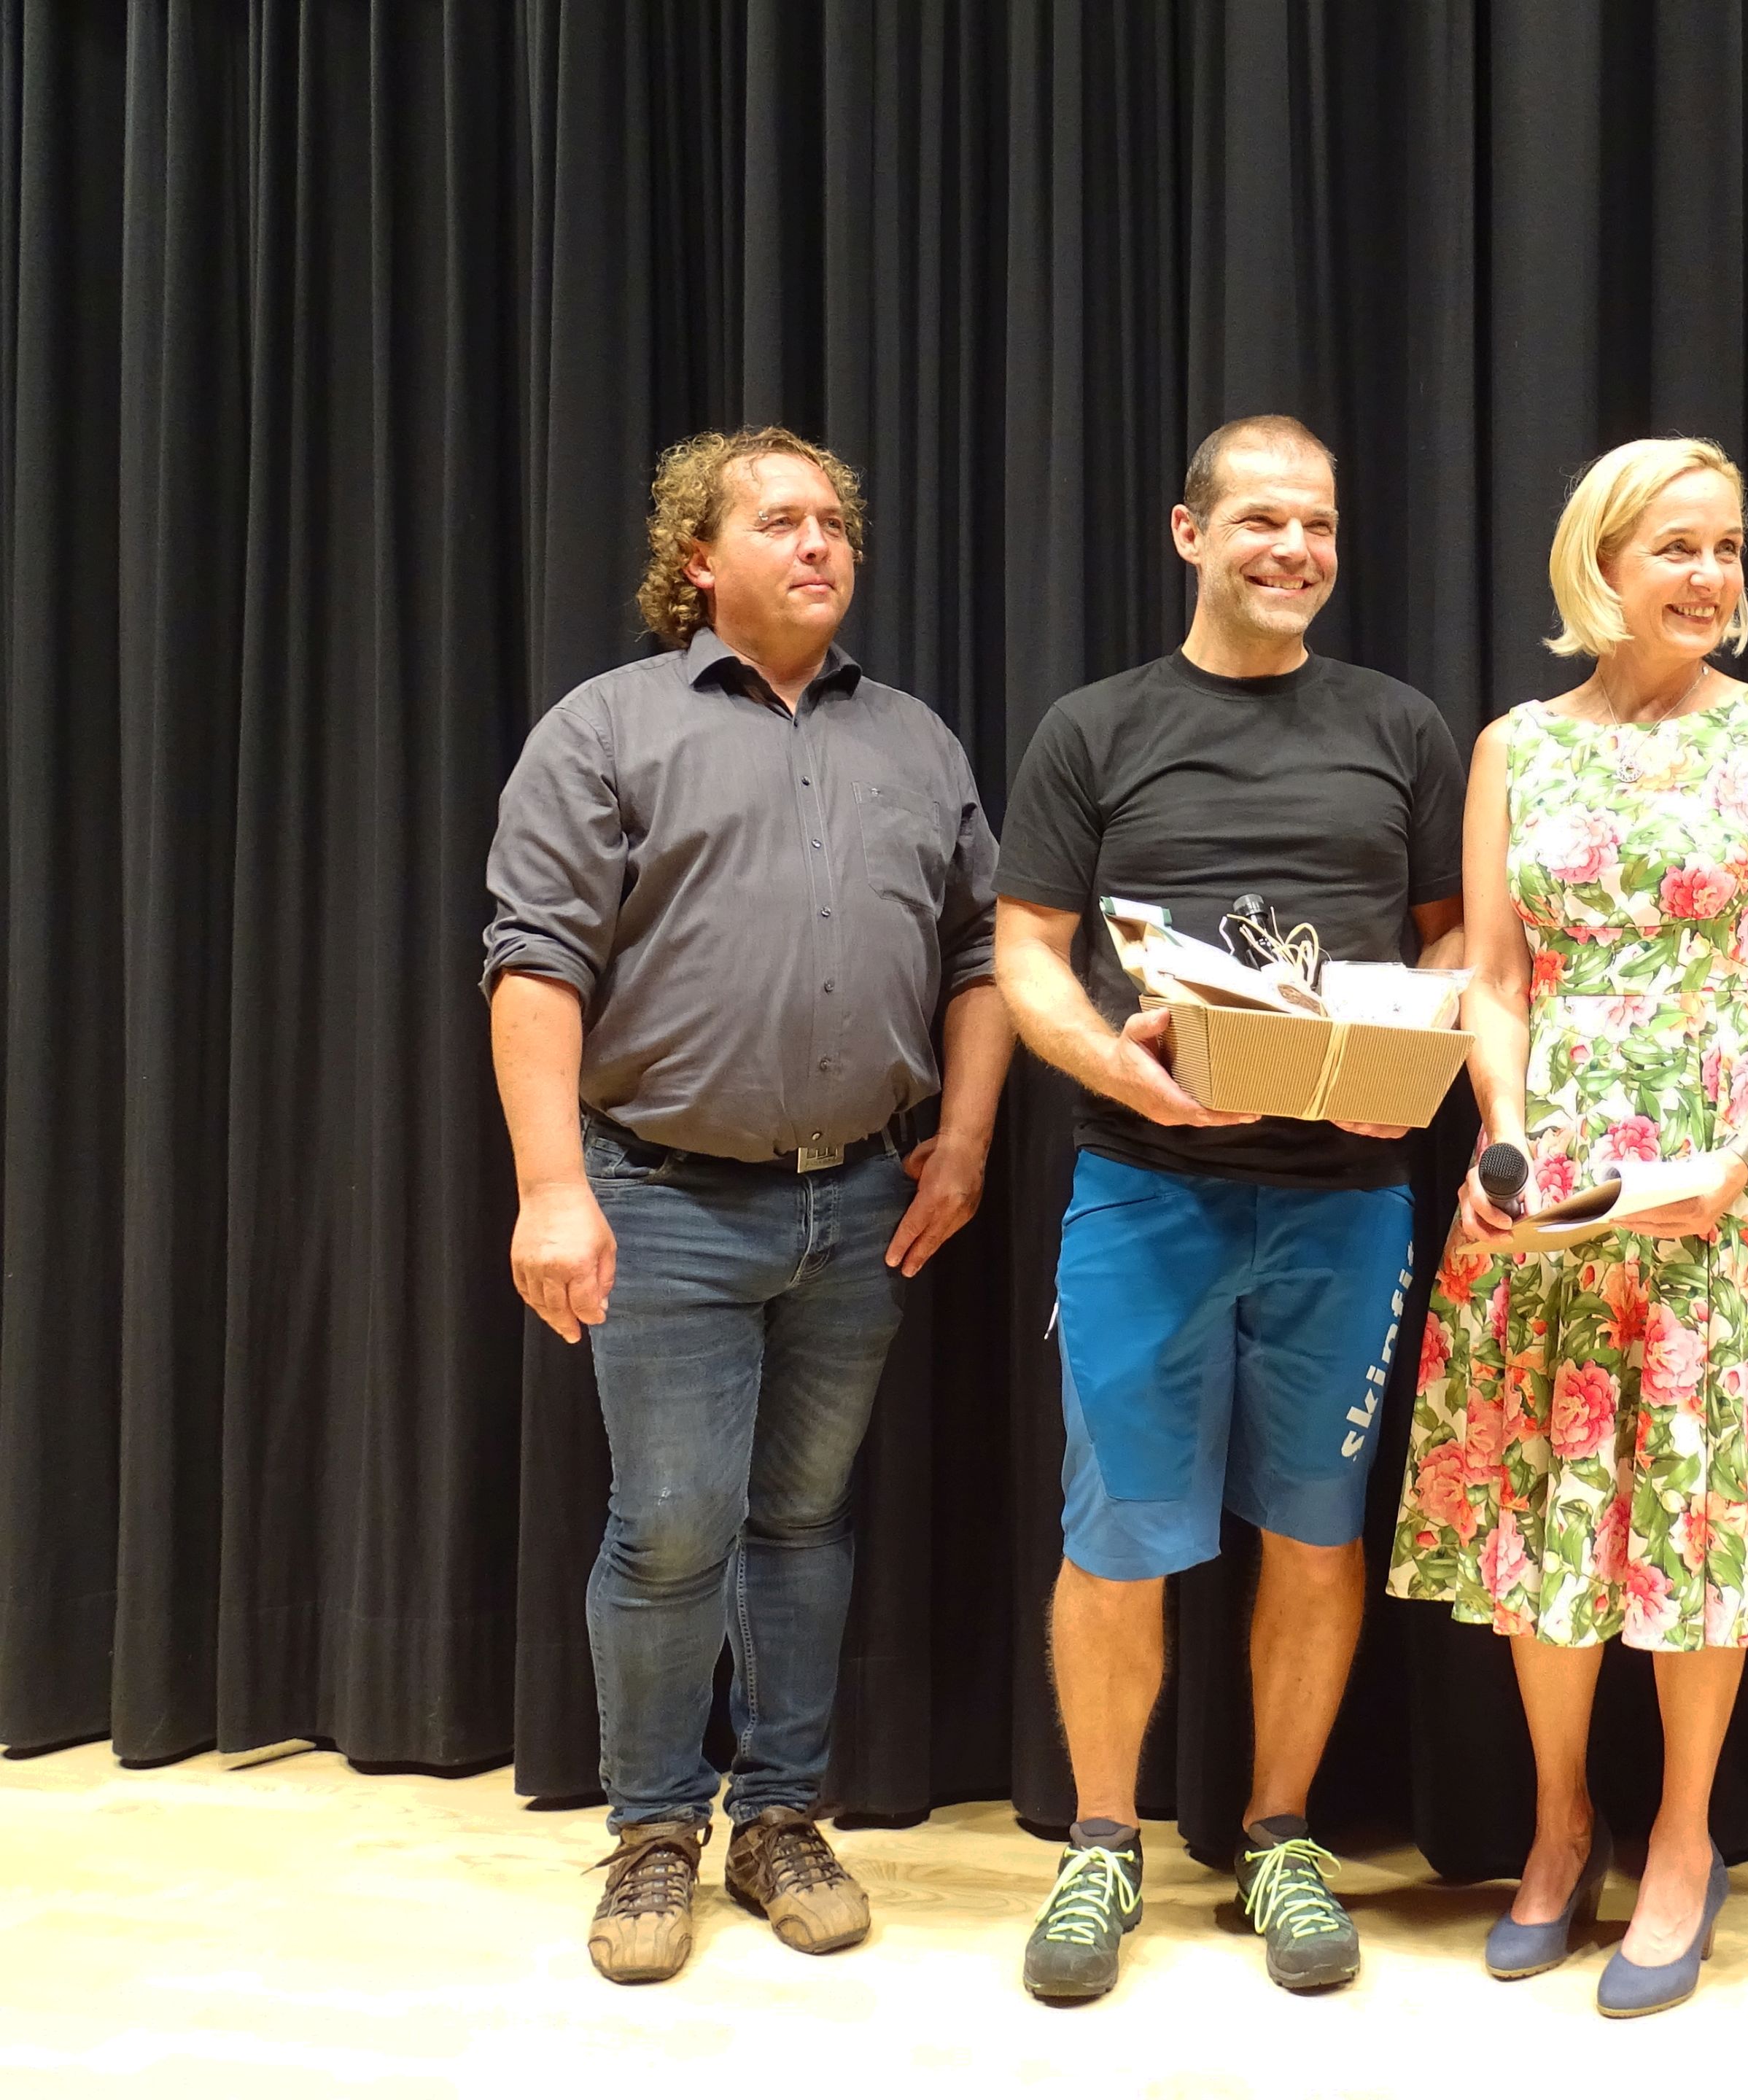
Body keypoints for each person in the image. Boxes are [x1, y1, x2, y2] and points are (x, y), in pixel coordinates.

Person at [482, 428, 1011, 1985]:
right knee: (669, 1533)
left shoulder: (915, 739)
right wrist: (551, 1190)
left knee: (800, 1526)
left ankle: (781, 1816)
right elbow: (534, 962)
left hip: (860, 1205)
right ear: (699, 561)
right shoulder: (607, 728)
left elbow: (984, 953)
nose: (819, 542)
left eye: (834, 519)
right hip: (661, 1202)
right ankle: (654, 1833)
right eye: (780, 520)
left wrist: (965, 1140)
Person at [1386, 436, 1748, 2018]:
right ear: (1599, 564)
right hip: (1559, 1168)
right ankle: (1559, 1824)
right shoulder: (1516, 745)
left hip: (1732, 1158)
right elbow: (1497, 976)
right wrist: (1507, 1140)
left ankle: (1681, 1837)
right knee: (1555, 1496)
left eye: (1728, 548)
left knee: (1693, 1502)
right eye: (1678, 547)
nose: (1713, 576)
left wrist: (1739, 1152)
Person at [990, 413, 1467, 2002]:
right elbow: (1026, 954)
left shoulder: (1401, 727)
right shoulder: (1095, 729)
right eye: (1262, 520)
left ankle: (1279, 1835)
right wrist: (1120, 1074)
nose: (1295, 550)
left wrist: (1412, 1043)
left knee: (1317, 1536)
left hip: (1350, 1200)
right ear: (1189, 533)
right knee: (1117, 1533)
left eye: (1318, 524)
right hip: (1147, 1190)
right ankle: (1101, 1845)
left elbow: (1458, 939)